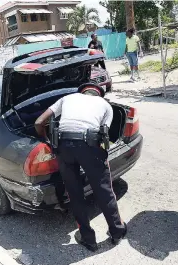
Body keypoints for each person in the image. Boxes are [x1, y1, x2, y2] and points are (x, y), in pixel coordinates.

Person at [34, 84, 127, 251]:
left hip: (64, 148)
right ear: (99, 94)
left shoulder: (67, 99)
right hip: (90, 147)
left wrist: (49, 141)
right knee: (104, 191)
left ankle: (87, 238)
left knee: (75, 193)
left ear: (81, 92)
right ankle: (116, 232)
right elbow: (104, 134)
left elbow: (39, 122)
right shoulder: (105, 105)